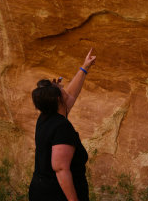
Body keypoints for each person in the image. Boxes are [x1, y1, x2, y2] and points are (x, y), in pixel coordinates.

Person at [29, 49, 96, 201]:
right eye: (61, 89)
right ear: (59, 99)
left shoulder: (46, 116)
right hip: (57, 195)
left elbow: (71, 94)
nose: (65, 88)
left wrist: (84, 67)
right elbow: (60, 168)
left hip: (41, 190)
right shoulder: (62, 128)